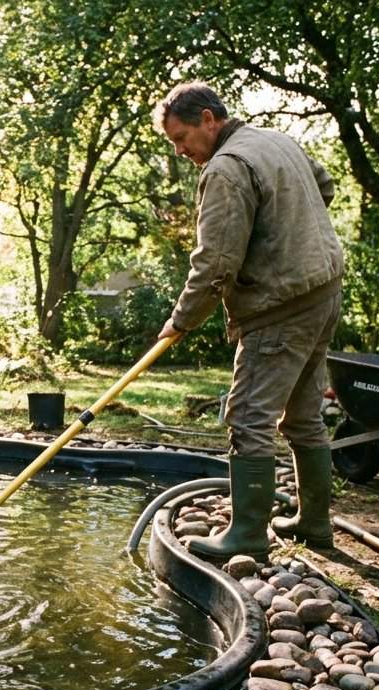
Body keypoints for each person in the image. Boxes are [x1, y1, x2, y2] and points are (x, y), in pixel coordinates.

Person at [153, 82, 343, 559]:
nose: (180, 151)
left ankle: (247, 535)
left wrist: (180, 322)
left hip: (278, 305)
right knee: (302, 415)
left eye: (182, 138)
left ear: (209, 121)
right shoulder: (277, 141)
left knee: (249, 417)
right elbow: (325, 186)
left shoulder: (226, 168)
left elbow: (215, 263)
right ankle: (314, 526)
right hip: (322, 291)